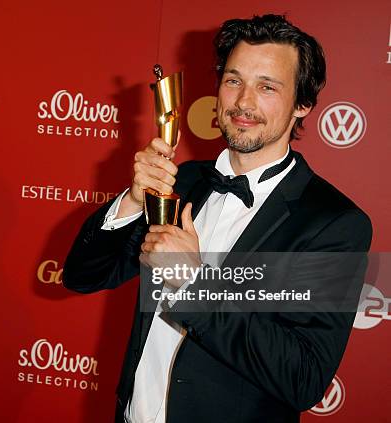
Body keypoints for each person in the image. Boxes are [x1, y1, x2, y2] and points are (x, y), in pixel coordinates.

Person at [63, 14, 372, 423]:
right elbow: (82, 275)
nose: (243, 102)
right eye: (233, 80)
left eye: (267, 87)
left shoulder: (333, 224)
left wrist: (194, 282)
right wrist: (133, 202)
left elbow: (303, 377)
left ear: (303, 104)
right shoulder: (184, 181)